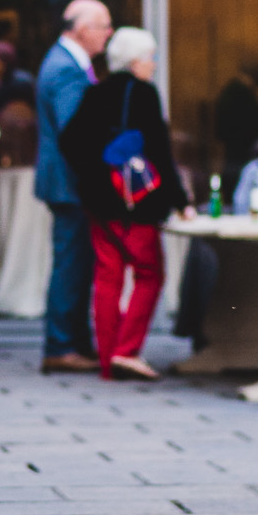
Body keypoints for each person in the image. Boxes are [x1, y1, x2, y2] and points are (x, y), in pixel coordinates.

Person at [58, 26, 191, 381]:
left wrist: (96, 173)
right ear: (135, 61)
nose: (154, 65)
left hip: (100, 203)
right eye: (151, 58)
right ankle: (126, 350)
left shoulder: (95, 93)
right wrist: (181, 200)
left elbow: (69, 141)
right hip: (137, 204)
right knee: (150, 273)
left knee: (108, 276)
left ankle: (107, 360)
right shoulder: (144, 93)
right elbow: (160, 151)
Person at [33, 0, 113, 375]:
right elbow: (76, 132)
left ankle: (74, 343)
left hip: (67, 181)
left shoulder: (66, 62)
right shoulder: (67, 69)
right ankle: (62, 345)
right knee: (71, 263)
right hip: (70, 183)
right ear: (81, 29)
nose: (108, 34)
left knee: (77, 263)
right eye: (104, 26)